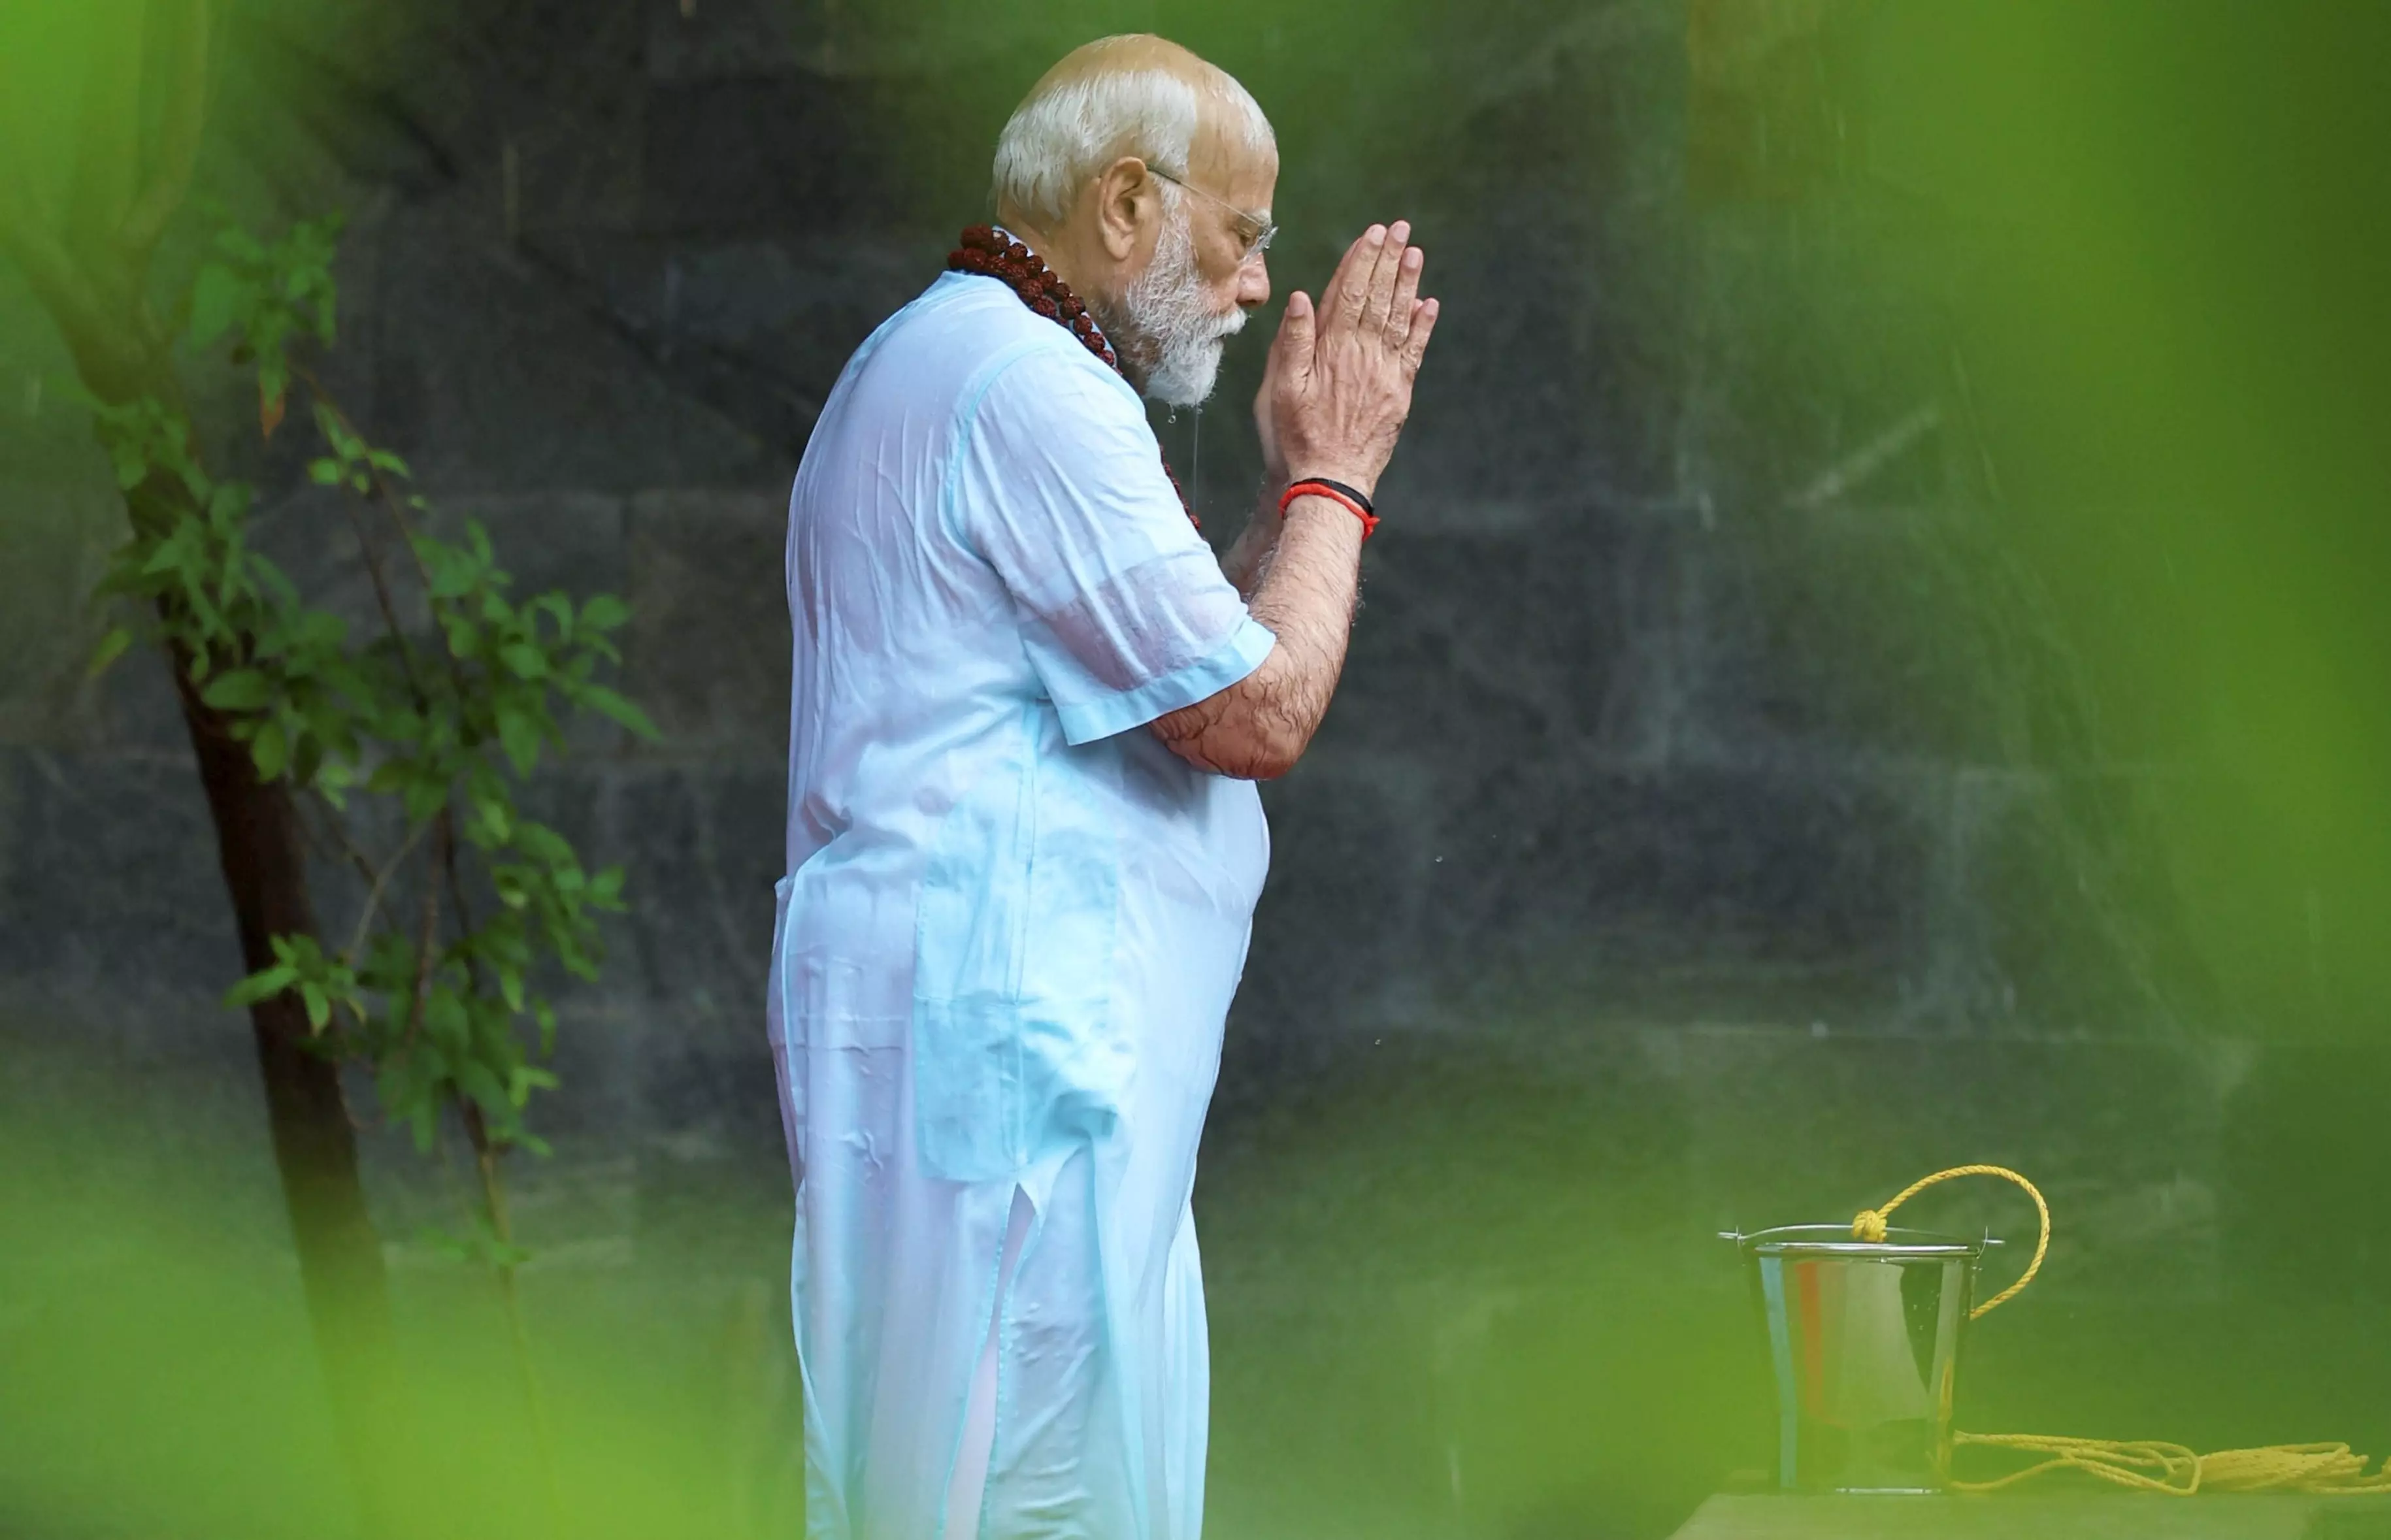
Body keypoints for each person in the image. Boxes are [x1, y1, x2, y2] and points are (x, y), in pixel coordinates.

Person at [767, 32, 1438, 1540]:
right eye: (1241, 233)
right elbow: (1255, 709)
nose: (1257, 283)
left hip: (993, 1078)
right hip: (1021, 1102)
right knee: (1038, 1497)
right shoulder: (1027, 392)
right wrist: (1337, 477)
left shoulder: (943, 355)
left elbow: (1180, 675)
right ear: (1124, 201)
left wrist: (1283, 500)